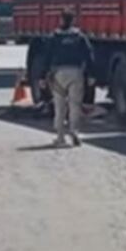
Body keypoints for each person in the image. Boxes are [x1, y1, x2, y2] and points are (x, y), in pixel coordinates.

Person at [41, 9, 94, 148]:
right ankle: (74, 131)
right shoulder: (80, 36)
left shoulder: (54, 37)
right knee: (75, 105)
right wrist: (91, 75)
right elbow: (89, 56)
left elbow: (46, 57)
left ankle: (60, 137)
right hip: (76, 72)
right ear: (73, 20)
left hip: (59, 73)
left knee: (59, 105)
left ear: (61, 20)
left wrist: (42, 76)